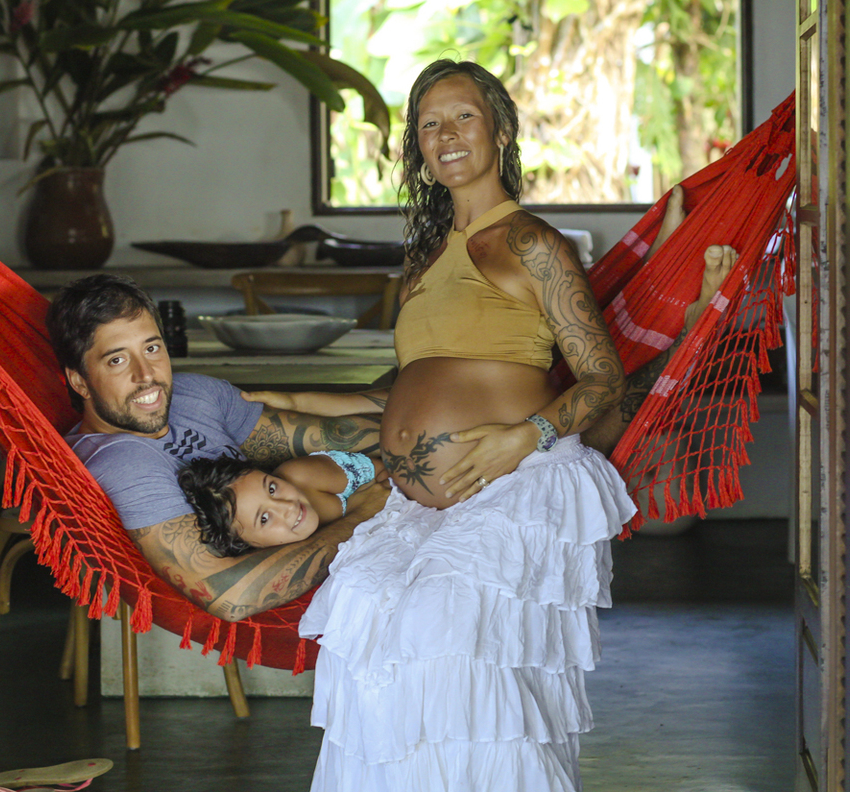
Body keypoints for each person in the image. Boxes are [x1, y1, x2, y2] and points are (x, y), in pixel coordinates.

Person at [238, 59, 737, 792]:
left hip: (519, 475)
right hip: (413, 502)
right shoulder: (421, 262)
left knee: (456, 644)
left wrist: (522, 437)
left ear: (499, 129)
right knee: (364, 628)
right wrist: (272, 404)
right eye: (428, 123)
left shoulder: (532, 244)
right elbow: (405, 388)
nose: (445, 135)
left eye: (463, 116)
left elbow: (599, 378)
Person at [44, 274, 391, 624]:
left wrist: (424, 435)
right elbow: (231, 597)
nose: (147, 375)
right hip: (293, 596)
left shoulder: (193, 395)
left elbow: (335, 435)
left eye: (152, 348)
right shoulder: (123, 462)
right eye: (117, 360)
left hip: (325, 530)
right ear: (79, 381)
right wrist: (362, 518)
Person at [178, 451, 385, 556]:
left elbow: (391, 471)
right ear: (246, 544)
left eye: (271, 489)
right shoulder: (278, 562)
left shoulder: (302, 476)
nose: (286, 507)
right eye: (264, 518)